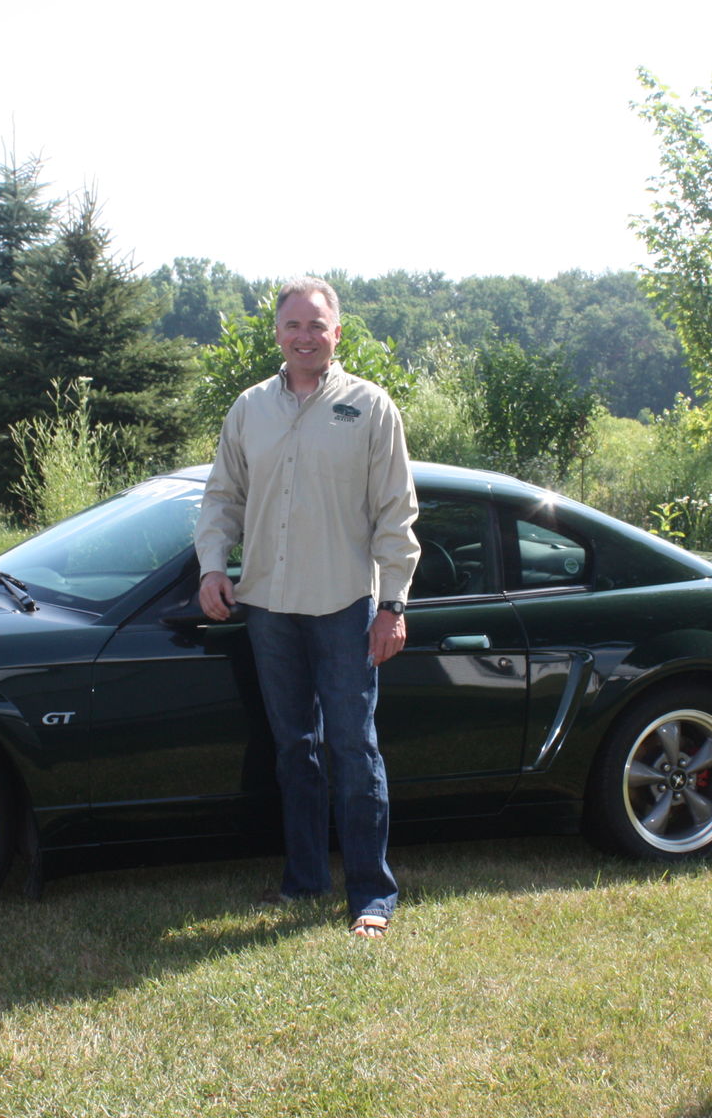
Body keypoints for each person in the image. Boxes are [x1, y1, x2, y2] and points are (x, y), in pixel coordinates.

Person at [195, 276, 420, 938]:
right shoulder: (249, 409)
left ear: (337, 333)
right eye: (293, 326)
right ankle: (305, 879)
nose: (304, 337)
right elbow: (221, 498)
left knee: (354, 748)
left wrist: (392, 604)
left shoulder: (372, 409)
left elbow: (395, 515)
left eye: (317, 326)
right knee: (294, 748)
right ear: (277, 333)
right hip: (267, 603)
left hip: (347, 605)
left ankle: (372, 895)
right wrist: (213, 566)